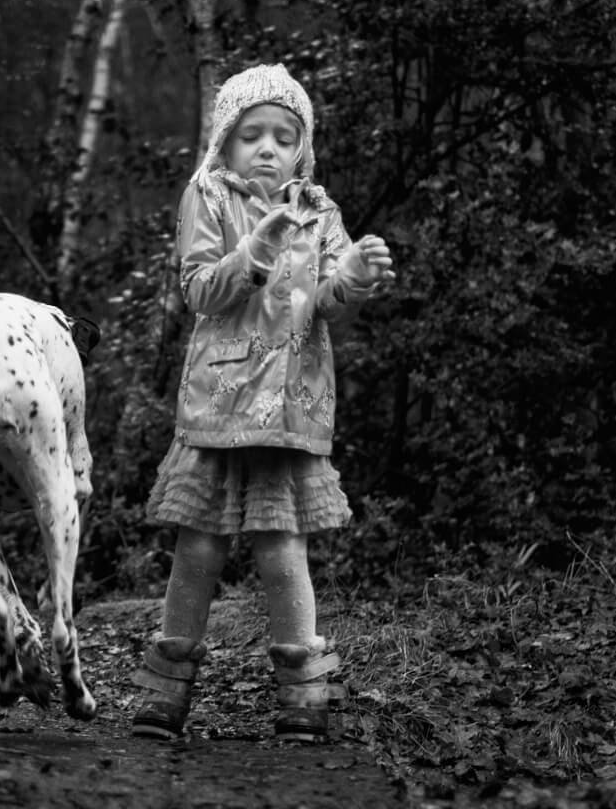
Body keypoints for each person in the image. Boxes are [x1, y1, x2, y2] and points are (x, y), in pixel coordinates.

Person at [132, 63, 395, 743]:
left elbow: (329, 303)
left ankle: (303, 696)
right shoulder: (210, 196)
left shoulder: (320, 210)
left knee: (282, 551)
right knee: (199, 548)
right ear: (224, 143)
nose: (269, 149)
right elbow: (199, 290)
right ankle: (165, 694)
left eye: (284, 135)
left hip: (288, 413)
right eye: (252, 136)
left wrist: (357, 276)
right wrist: (253, 248)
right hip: (219, 409)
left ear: (302, 145)